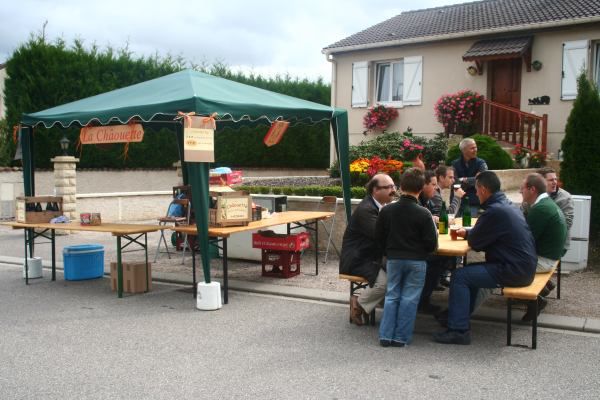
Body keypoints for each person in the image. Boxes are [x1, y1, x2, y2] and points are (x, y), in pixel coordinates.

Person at [433, 171, 537, 345]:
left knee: (460, 276)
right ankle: (456, 316)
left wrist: (469, 235)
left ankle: (459, 330)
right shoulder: (507, 205)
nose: (475, 193)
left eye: (476, 189)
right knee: (469, 275)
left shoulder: (494, 211)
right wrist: (467, 232)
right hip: (522, 266)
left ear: (482, 189)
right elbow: (485, 235)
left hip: (512, 270)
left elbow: (477, 242)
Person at [375, 168, 438, 347]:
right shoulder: (424, 213)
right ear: (421, 188)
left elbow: (378, 237)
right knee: (409, 298)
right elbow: (431, 244)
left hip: (394, 259)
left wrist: (388, 252)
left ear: (401, 186)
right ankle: (401, 337)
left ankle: (385, 335)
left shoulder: (387, 211)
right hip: (417, 260)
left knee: (392, 295)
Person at [339, 173, 397, 326]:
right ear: (375, 191)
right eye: (388, 187)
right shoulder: (367, 209)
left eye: (393, 186)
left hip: (371, 254)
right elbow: (381, 236)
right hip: (358, 258)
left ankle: (379, 305)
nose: (393, 190)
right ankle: (358, 302)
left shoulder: (382, 206)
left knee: (399, 271)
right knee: (386, 282)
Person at [520, 173, 567, 321]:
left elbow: (525, 241)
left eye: (522, 188)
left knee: (503, 266)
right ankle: (542, 290)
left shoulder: (540, 209)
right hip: (550, 257)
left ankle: (535, 300)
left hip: (544, 261)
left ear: (532, 189)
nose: (520, 192)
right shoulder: (545, 204)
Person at [451, 138, 488, 217]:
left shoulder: (481, 163)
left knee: (467, 225)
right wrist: (472, 180)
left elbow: (481, 179)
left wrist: (464, 179)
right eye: (472, 148)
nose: (475, 150)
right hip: (457, 201)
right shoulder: (455, 164)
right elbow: (454, 182)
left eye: (475, 147)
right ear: (464, 150)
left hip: (473, 201)